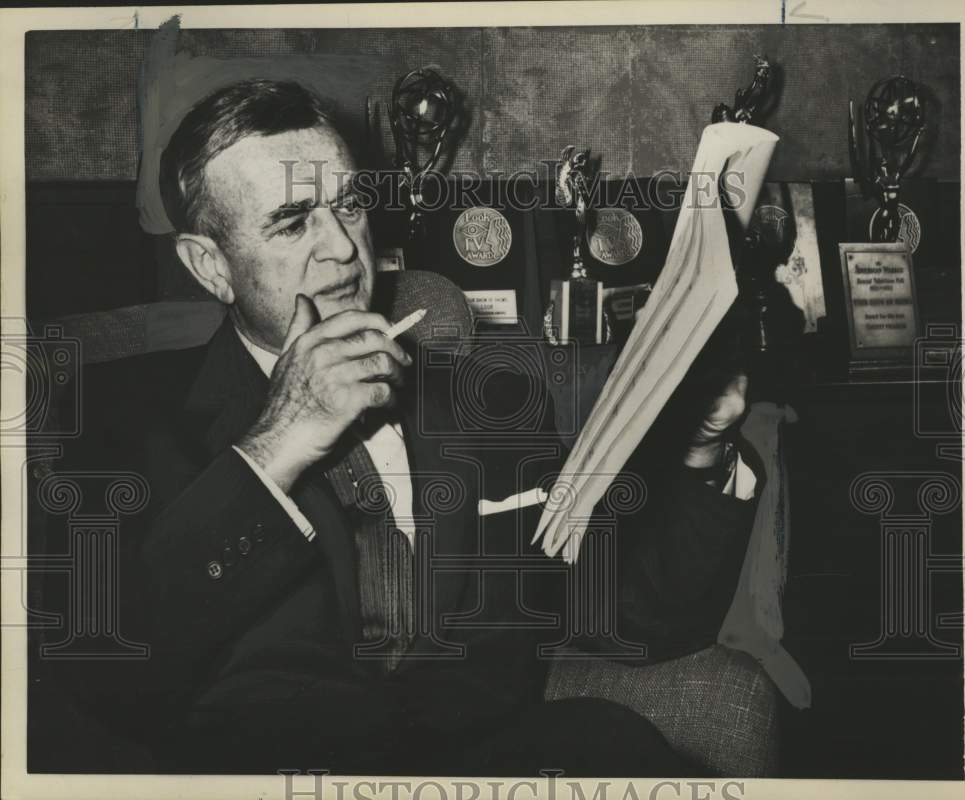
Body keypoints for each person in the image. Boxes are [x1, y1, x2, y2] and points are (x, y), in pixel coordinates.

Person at [37, 79, 758, 776]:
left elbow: (633, 619)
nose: (345, 250)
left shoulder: (491, 402)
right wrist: (276, 445)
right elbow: (102, 672)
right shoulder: (115, 414)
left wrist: (703, 447)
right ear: (210, 266)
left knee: (614, 742)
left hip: (474, 767)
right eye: (293, 223)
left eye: (348, 206)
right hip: (268, 776)